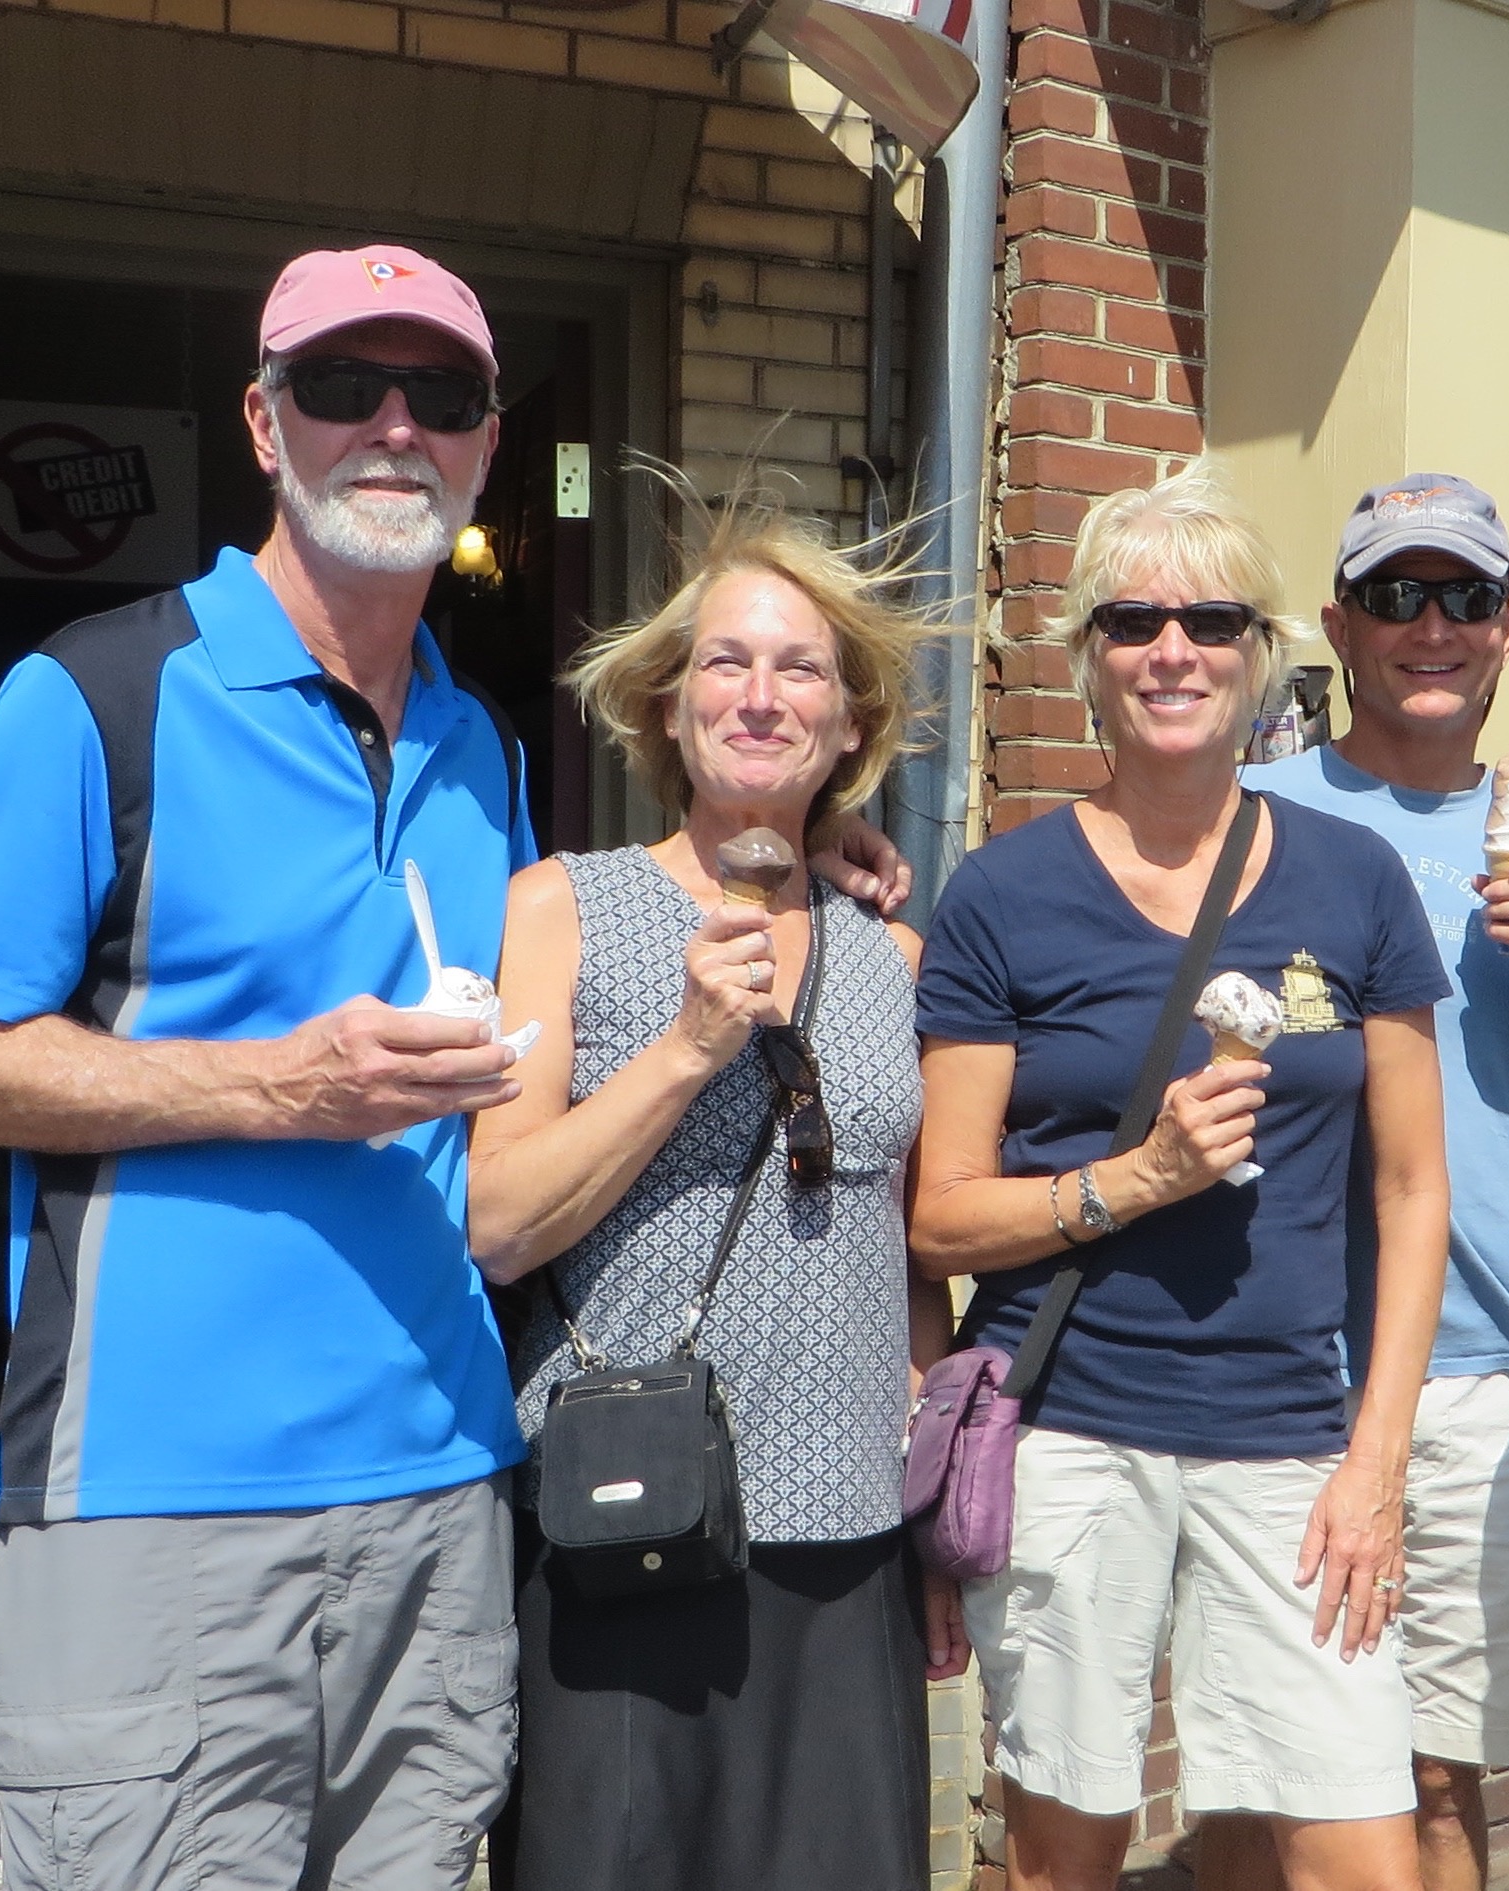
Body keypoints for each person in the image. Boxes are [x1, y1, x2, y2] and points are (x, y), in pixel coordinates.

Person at [0, 246, 530, 1888]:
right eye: (342, 385)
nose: (394, 427)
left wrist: (803, 859)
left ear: (486, 445)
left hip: (442, 1491)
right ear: (262, 422)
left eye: (440, 396)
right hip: (155, 1503)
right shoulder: (97, 695)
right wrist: (276, 1088)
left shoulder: (481, 744)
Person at [910, 468, 1453, 1891]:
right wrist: (1136, 1178)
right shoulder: (1003, 894)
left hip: (1291, 1435)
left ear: (1263, 654)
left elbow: (1412, 1193)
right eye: (1132, 621)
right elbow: (941, 1213)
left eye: (1212, 621)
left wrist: (1377, 1464)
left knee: (1361, 1857)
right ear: (1085, 658)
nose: (1173, 651)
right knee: (1062, 1856)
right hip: (1070, 1434)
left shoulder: (1355, 880)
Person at [463, 482, 962, 1888]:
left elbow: (904, 1256)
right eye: (725, 663)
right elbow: (498, 1225)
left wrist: (934, 1519)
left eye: (800, 669)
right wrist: (686, 1049)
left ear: (849, 723)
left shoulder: (892, 957)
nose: (759, 696)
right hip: (626, 1517)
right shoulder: (562, 907)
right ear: (669, 709)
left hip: (846, 1539)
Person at [1210, 473, 1509, 1891]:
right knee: (1252, 1778)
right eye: (1396, 594)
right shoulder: (1250, 811)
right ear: (1340, 626)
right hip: (1268, 1350)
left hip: (1479, 1360)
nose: (1430, 626)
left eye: (1463, 596)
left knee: (1443, 1778)